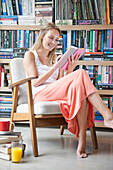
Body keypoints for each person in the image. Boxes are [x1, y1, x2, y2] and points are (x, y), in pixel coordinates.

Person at [23, 23, 113, 158]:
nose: (53, 42)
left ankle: (82, 139)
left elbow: (60, 82)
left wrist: (69, 69)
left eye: (56, 40)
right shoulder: (30, 55)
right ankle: (108, 115)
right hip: (40, 94)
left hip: (56, 91)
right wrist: (55, 67)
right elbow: (35, 82)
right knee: (82, 73)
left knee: (79, 88)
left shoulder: (55, 57)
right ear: (42, 36)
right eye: (51, 38)